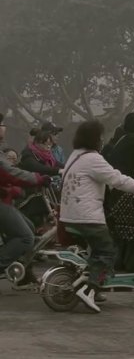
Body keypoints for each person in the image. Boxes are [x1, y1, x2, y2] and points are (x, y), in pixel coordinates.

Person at [60, 120, 134, 313]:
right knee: (108, 251)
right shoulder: (93, 158)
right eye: (100, 136)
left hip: (70, 214)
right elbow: (116, 179)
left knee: (96, 252)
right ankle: (89, 289)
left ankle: (94, 286)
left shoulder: (76, 155)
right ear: (94, 138)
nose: (102, 140)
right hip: (86, 216)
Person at [0, 113, 51, 280]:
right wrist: (38, 178)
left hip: (5, 200)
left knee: (30, 229)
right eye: (1, 124)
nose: (3, 127)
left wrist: (11, 190)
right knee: (25, 237)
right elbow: (10, 173)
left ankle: (23, 274)